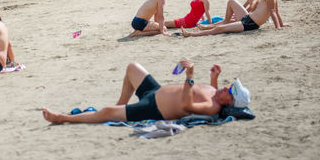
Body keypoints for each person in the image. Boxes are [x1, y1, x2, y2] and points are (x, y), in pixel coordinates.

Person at [41, 60, 250, 124]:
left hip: (154, 108)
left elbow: (188, 106)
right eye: (230, 84)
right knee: (132, 67)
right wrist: (214, 76)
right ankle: (120, 106)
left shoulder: (213, 105)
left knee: (105, 111)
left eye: (231, 90)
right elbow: (211, 89)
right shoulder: (216, 92)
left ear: (229, 103)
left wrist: (189, 77)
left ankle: (62, 118)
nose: (227, 86)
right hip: (155, 91)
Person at [182, 0, 288, 36]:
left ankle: (191, 34)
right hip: (249, 18)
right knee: (231, 1)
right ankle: (226, 21)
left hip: (250, 23)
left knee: (220, 29)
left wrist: (278, 27)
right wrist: (282, 24)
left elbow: (273, 11)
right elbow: (277, 11)